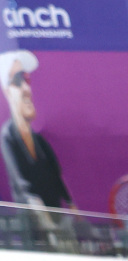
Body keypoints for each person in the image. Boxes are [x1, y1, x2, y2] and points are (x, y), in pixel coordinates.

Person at [1, 51, 71, 210]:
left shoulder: (38, 139)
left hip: (57, 216)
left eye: (26, 79)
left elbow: (55, 173)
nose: (26, 87)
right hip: (32, 223)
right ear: (7, 91)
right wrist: (42, 216)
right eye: (17, 81)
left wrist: (71, 204)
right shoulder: (7, 136)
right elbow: (21, 184)